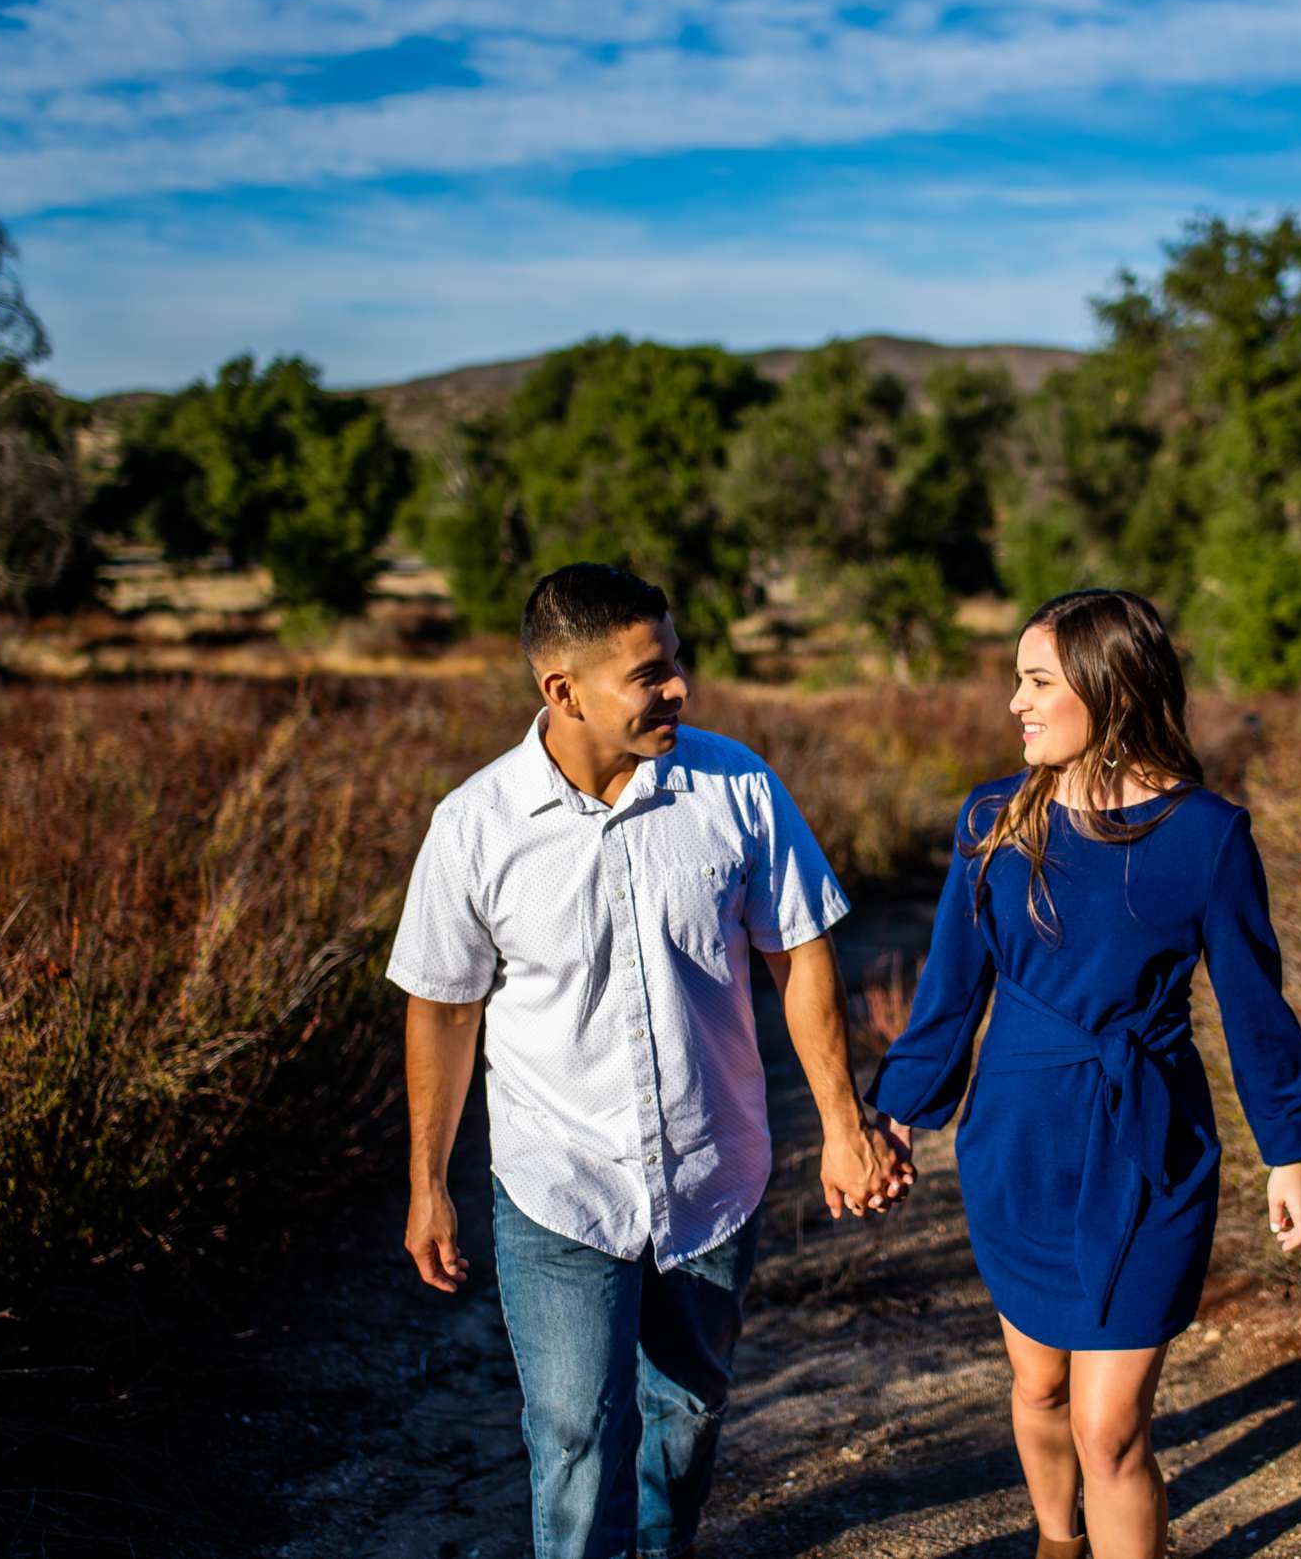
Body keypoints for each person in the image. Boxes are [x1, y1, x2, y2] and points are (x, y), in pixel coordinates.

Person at [389, 561, 915, 1559]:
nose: (679, 688)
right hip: (560, 1182)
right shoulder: (476, 825)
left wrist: (843, 1128)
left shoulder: (737, 786)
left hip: (713, 1170)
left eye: (675, 662)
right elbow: (443, 1011)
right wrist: (427, 1184)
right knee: (580, 1436)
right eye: (650, 673)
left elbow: (799, 952)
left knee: (686, 1415)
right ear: (564, 691)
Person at [865, 588, 1301, 1559]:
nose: (1016, 704)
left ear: (1107, 689)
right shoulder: (995, 820)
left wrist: (1289, 1145)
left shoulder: (1208, 837)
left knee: (1108, 1427)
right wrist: (899, 1112)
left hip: (1146, 1150)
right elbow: (952, 989)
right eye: (1018, 681)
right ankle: (1056, 1541)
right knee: (1039, 1389)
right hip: (1018, 1145)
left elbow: (1255, 1006)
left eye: (1037, 681)